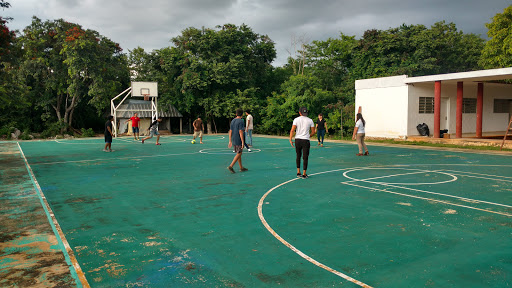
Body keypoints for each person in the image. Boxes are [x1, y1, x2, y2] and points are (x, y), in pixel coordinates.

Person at [289, 107, 316, 179]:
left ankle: (298, 172)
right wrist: (308, 135)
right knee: (305, 157)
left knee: (298, 156)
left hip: (297, 139)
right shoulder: (310, 120)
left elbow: (292, 130)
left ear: (299, 112)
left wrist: (290, 139)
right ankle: (304, 173)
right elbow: (313, 132)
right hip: (305, 140)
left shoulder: (296, 120)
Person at [228, 108, 248, 173]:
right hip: (238, 139)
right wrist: (242, 142)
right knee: (239, 153)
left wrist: (230, 140)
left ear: (236, 114)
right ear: (242, 114)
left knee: (239, 153)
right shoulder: (241, 121)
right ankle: (231, 166)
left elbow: (230, 131)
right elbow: (240, 131)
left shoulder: (233, 120)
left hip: (233, 138)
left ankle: (241, 167)